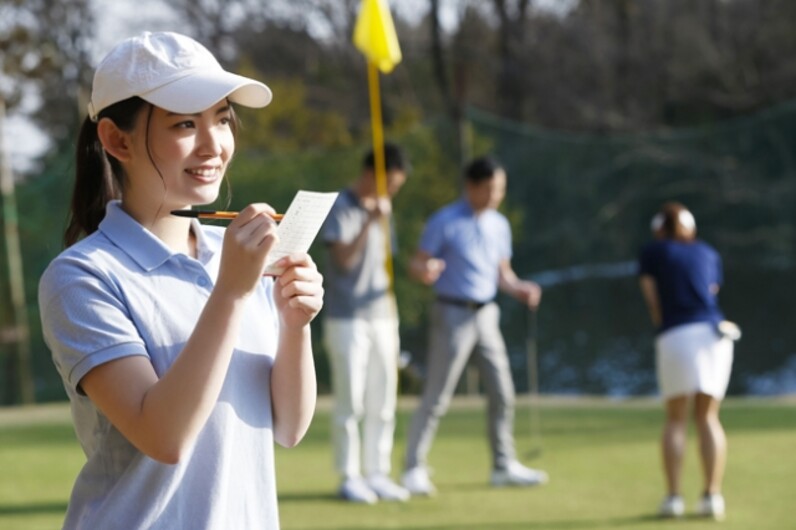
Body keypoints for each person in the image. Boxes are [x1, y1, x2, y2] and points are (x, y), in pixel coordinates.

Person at [38, 31, 323, 529]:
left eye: (222, 119)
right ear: (116, 139)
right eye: (186, 123)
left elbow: (288, 427)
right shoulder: (81, 277)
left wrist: (296, 324)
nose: (214, 144)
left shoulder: (233, 255)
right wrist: (232, 292)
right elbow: (163, 436)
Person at [401, 156, 549, 496]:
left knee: (503, 393)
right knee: (437, 396)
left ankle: (502, 465)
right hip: (452, 313)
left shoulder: (500, 225)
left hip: (487, 314)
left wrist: (520, 288)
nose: (496, 195)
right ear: (471, 186)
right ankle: (413, 468)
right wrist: (425, 272)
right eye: (490, 188)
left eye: (500, 189)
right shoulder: (445, 221)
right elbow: (418, 264)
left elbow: (503, 274)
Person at [321, 143, 410, 503]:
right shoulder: (341, 207)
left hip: (384, 317)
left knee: (383, 400)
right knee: (351, 401)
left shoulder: (385, 210)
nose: (391, 192)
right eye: (389, 183)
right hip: (347, 319)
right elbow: (342, 259)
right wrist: (370, 221)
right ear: (372, 173)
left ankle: (378, 472)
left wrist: (380, 216)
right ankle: (349, 475)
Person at [638, 201, 734, 520]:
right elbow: (712, 290)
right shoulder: (708, 251)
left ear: (659, 230)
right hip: (714, 335)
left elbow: (653, 299)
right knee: (708, 417)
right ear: (690, 229)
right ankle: (711, 497)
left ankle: (674, 498)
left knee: (677, 418)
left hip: (677, 334)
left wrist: (661, 327)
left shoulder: (653, 251)